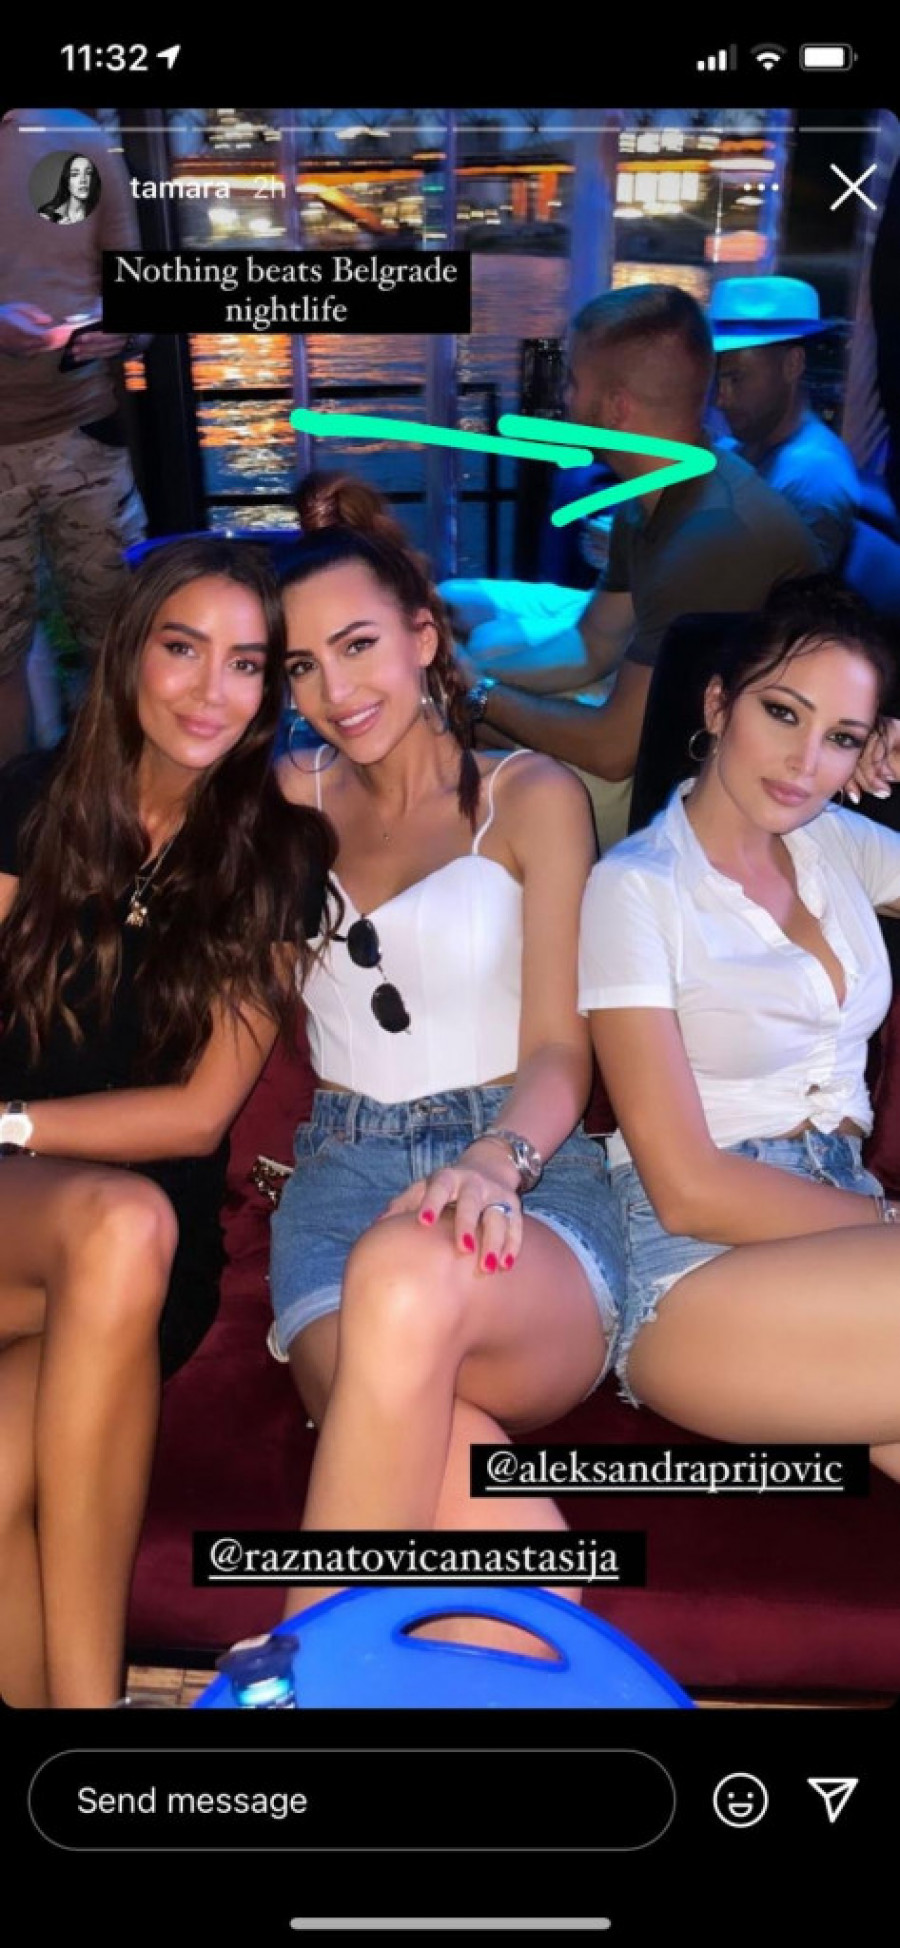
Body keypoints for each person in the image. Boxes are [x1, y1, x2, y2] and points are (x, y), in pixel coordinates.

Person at [269, 474, 625, 1633]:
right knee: (453, 1460)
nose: (336, 691)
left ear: (423, 636)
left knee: (407, 1277)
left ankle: (289, 1682)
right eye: (302, 665)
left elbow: (561, 1049)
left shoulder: (532, 797)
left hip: (524, 1186)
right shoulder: (283, 803)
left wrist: (492, 1160)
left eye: (359, 644)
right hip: (340, 1187)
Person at [0, 538, 336, 1708]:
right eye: (183, 648)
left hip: (140, 1253)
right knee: (117, 1224)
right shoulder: (27, 802)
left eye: (247, 664)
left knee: (124, 1231)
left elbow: (199, 1117)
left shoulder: (275, 853)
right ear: (128, 654)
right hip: (15, 1226)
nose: (210, 691)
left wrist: (10, 1124)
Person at [578, 577, 900, 1478]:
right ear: (719, 704)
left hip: (845, 1250)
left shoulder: (835, 844)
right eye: (783, 713)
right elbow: (688, 1189)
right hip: (698, 1268)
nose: (805, 761)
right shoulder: (636, 888)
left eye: (842, 738)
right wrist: (881, 1217)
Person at [442, 285, 821, 849]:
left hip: (716, 780)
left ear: (617, 407)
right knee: (457, 719)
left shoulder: (709, 539)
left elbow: (614, 751)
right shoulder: (650, 494)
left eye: (573, 382)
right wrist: (461, 676)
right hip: (675, 725)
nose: (565, 398)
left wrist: (476, 694)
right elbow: (593, 643)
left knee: (451, 770)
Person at [0, 108, 148, 766]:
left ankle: (120, 805)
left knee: (121, 645)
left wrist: (125, 329)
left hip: (86, 438)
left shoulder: (82, 139)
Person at [710, 275, 860, 571]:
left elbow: (763, 596)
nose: (720, 400)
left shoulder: (812, 478)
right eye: (718, 381)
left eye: (736, 379)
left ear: (792, 365)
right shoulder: (744, 446)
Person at [38, 152, 101, 224]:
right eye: (75, 174)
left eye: (88, 173)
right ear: (67, 182)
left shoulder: (101, 216)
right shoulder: (47, 215)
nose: (83, 180)